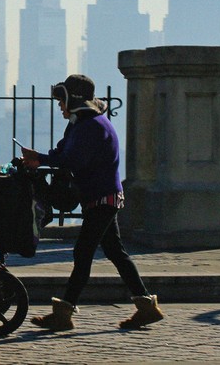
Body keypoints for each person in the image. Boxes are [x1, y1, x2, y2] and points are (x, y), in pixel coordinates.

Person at [21, 74, 164, 331]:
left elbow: (73, 160)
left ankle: (64, 313)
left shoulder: (91, 127)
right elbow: (62, 152)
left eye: (61, 101)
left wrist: (40, 159)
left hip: (102, 198)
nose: (60, 106)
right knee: (115, 251)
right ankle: (146, 307)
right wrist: (39, 158)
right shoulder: (82, 124)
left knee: (83, 252)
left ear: (72, 99)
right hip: (102, 197)